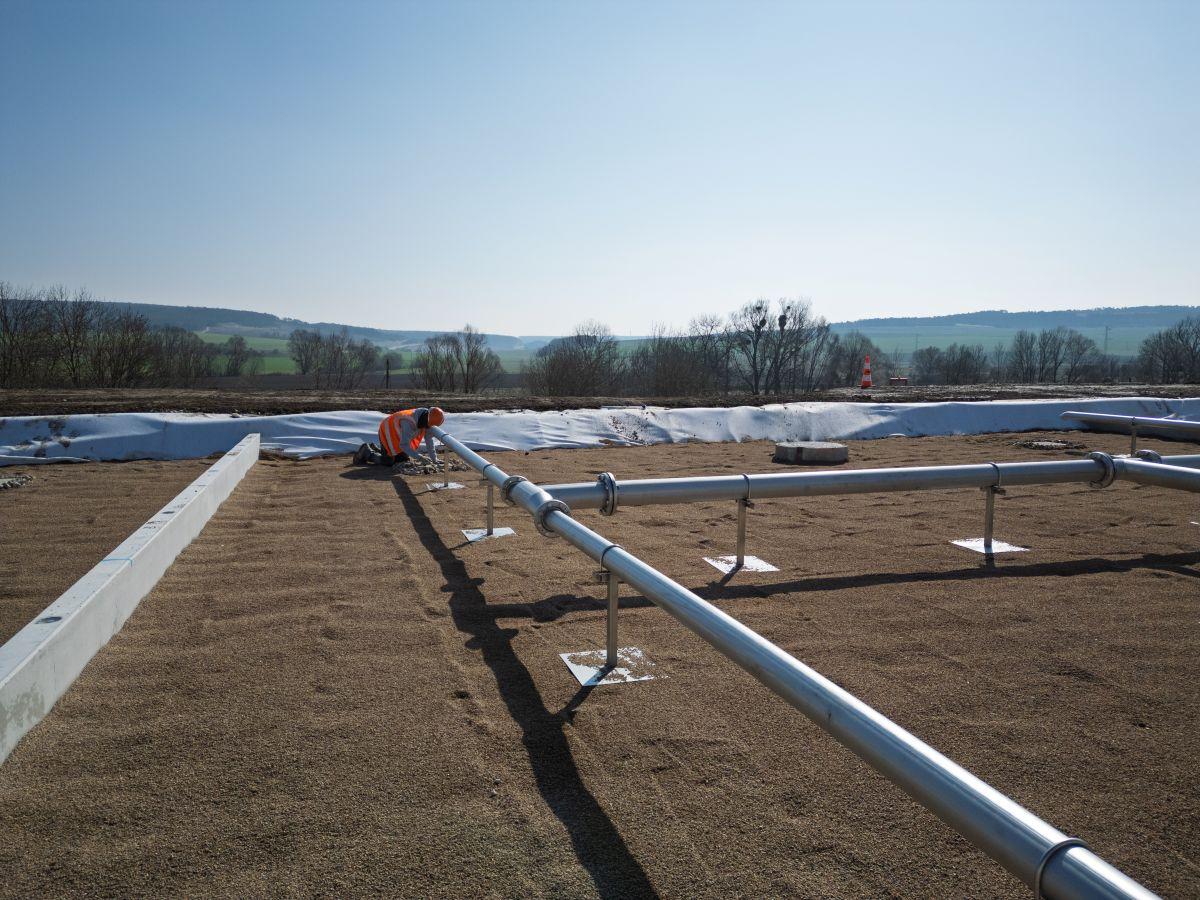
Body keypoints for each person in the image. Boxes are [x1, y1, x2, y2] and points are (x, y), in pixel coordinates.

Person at [354, 406, 445, 467]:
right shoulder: (409, 422)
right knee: (388, 461)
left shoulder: (426, 420)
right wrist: (420, 457)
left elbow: (429, 440)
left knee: (402, 460)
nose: (428, 428)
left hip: (399, 434)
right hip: (387, 431)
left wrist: (434, 459)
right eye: (428, 425)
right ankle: (366, 451)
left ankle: (377, 449)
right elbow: (404, 445)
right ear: (426, 418)